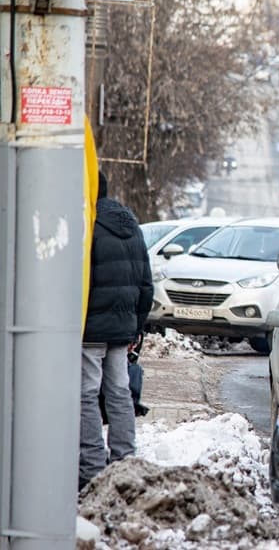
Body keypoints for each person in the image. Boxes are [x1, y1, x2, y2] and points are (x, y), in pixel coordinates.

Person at [80, 171, 153, 491]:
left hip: (91, 327)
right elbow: (146, 283)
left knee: (85, 394)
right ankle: (124, 459)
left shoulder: (88, 225)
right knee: (120, 392)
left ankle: (92, 466)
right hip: (122, 328)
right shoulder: (132, 227)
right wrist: (137, 327)